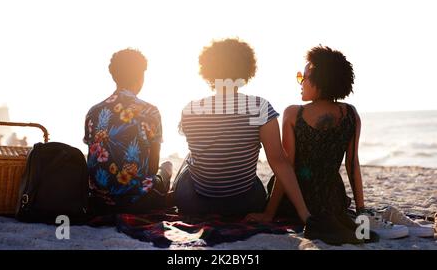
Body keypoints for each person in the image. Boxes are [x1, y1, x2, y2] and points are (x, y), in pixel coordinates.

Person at [173, 38, 311, 224]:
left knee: (189, 158)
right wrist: (305, 214)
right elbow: (279, 162)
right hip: (245, 203)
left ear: (207, 71)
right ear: (246, 70)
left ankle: (169, 193)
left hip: (193, 202)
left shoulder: (191, 109)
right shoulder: (260, 108)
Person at [246, 45, 369, 242]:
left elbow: (288, 167)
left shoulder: (294, 114)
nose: (300, 83)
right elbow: (352, 164)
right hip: (332, 202)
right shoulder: (351, 114)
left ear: (319, 81)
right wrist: (362, 211)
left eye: (303, 77)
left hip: (295, 203)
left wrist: (269, 213)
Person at [83, 48, 172, 215]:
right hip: (137, 202)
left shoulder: (93, 111)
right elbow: (152, 166)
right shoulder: (150, 111)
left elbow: (92, 158)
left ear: (114, 76)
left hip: (100, 201)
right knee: (167, 167)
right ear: (141, 76)